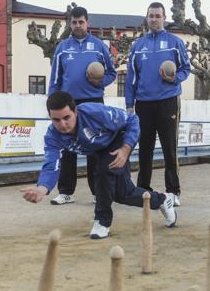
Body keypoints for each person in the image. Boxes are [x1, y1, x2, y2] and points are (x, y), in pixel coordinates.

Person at [20, 91, 177, 240]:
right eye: (56, 120)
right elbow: (51, 164)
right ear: (50, 117)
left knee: (103, 172)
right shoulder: (52, 137)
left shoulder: (95, 113)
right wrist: (42, 188)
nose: (63, 124)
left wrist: (125, 148)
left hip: (118, 139)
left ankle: (102, 221)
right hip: (99, 150)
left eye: (67, 117)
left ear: (75, 112)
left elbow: (132, 119)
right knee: (123, 194)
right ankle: (162, 200)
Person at [48, 6, 117, 205]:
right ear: (70, 23)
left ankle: (97, 192)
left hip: (94, 103)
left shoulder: (99, 46)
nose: (77, 26)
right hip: (68, 104)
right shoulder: (62, 48)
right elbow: (55, 79)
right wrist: (52, 105)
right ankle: (66, 192)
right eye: (74, 22)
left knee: (94, 147)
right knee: (67, 148)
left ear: (88, 23)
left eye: (81, 22)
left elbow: (112, 73)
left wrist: (100, 82)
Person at [125, 2, 190, 206]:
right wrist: (129, 104)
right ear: (147, 18)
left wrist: (174, 78)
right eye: (150, 16)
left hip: (168, 102)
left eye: (157, 16)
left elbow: (186, 69)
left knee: (170, 148)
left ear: (164, 17)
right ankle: (143, 189)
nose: (153, 19)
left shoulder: (175, 42)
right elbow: (131, 77)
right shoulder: (137, 45)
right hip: (143, 104)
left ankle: (173, 191)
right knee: (144, 149)